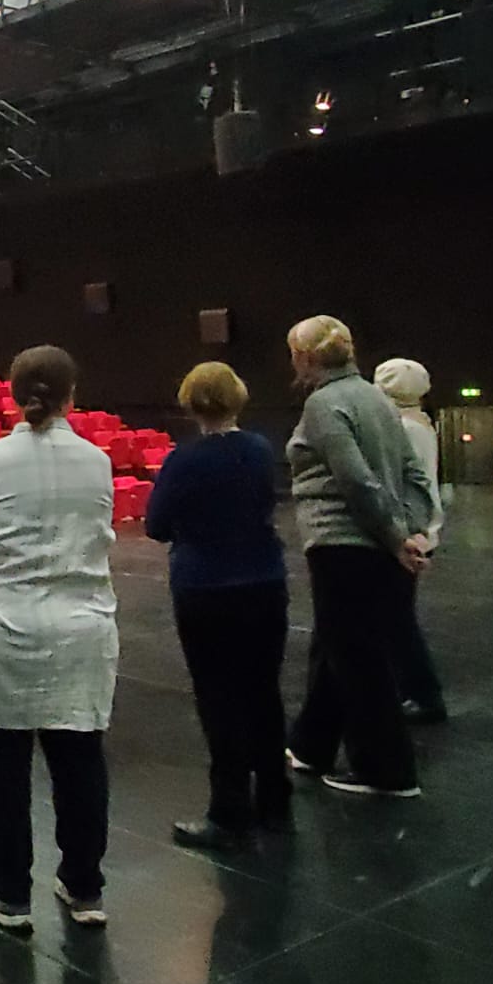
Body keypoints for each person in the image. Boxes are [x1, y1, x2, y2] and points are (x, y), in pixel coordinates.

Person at [0, 346, 116, 934]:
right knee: (80, 763)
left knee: (3, 769)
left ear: (13, 395)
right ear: (73, 394)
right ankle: (85, 886)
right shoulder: (97, 461)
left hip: (0, 627)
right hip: (79, 630)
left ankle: (10, 891)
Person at [281, 316, 435, 800]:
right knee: (336, 647)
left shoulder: (325, 405)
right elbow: (412, 473)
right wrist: (411, 530)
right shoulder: (375, 397)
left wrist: (394, 537)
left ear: (304, 357)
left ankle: (387, 770)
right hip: (380, 542)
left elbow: (356, 481)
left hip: (344, 545)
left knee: (357, 659)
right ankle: (311, 745)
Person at [144, 362, 291, 852]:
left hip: (206, 587)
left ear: (191, 402)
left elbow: (157, 524)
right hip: (264, 581)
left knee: (219, 698)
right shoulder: (259, 448)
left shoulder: (183, 461)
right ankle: (276, 804)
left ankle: (230, 812)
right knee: (264, 693)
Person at [373, 358, 448, 725]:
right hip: (417, 532)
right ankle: (411, 689)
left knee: (398, 621)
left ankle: (423, 694)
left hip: (409, 534)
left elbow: (404, 486)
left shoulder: (403, 428)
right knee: (396, 618)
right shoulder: (421, 423)